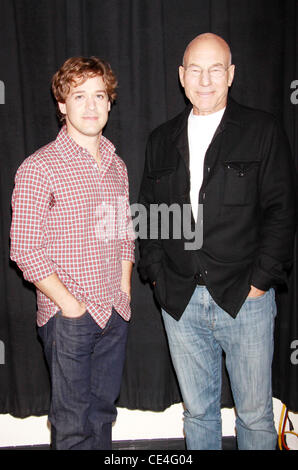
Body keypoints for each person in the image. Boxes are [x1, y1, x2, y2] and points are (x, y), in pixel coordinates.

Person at [138, 33, 297, 450]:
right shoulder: (160, 139)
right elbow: (149, 216)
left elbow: (282, 211)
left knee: (256, 415)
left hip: (246, 299)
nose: (204, 79)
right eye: (195, 69)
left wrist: (259, 282)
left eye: (215, 69)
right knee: (198, 414)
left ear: (230, 75)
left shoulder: (263, 130)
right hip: (179, 300)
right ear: (180, 76)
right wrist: (156, 275)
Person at [10, 56, 135, 450]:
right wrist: (70, 305)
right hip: (69, 319)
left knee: (102, 416)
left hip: (114, 311)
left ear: (110, 103)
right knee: (72, 426)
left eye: (100, 95)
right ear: (62, 104)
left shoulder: (118, 165)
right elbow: (24, 249)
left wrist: (124, 291)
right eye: (79, 96)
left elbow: (124, 233)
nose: (91, 105)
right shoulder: (38, 167)